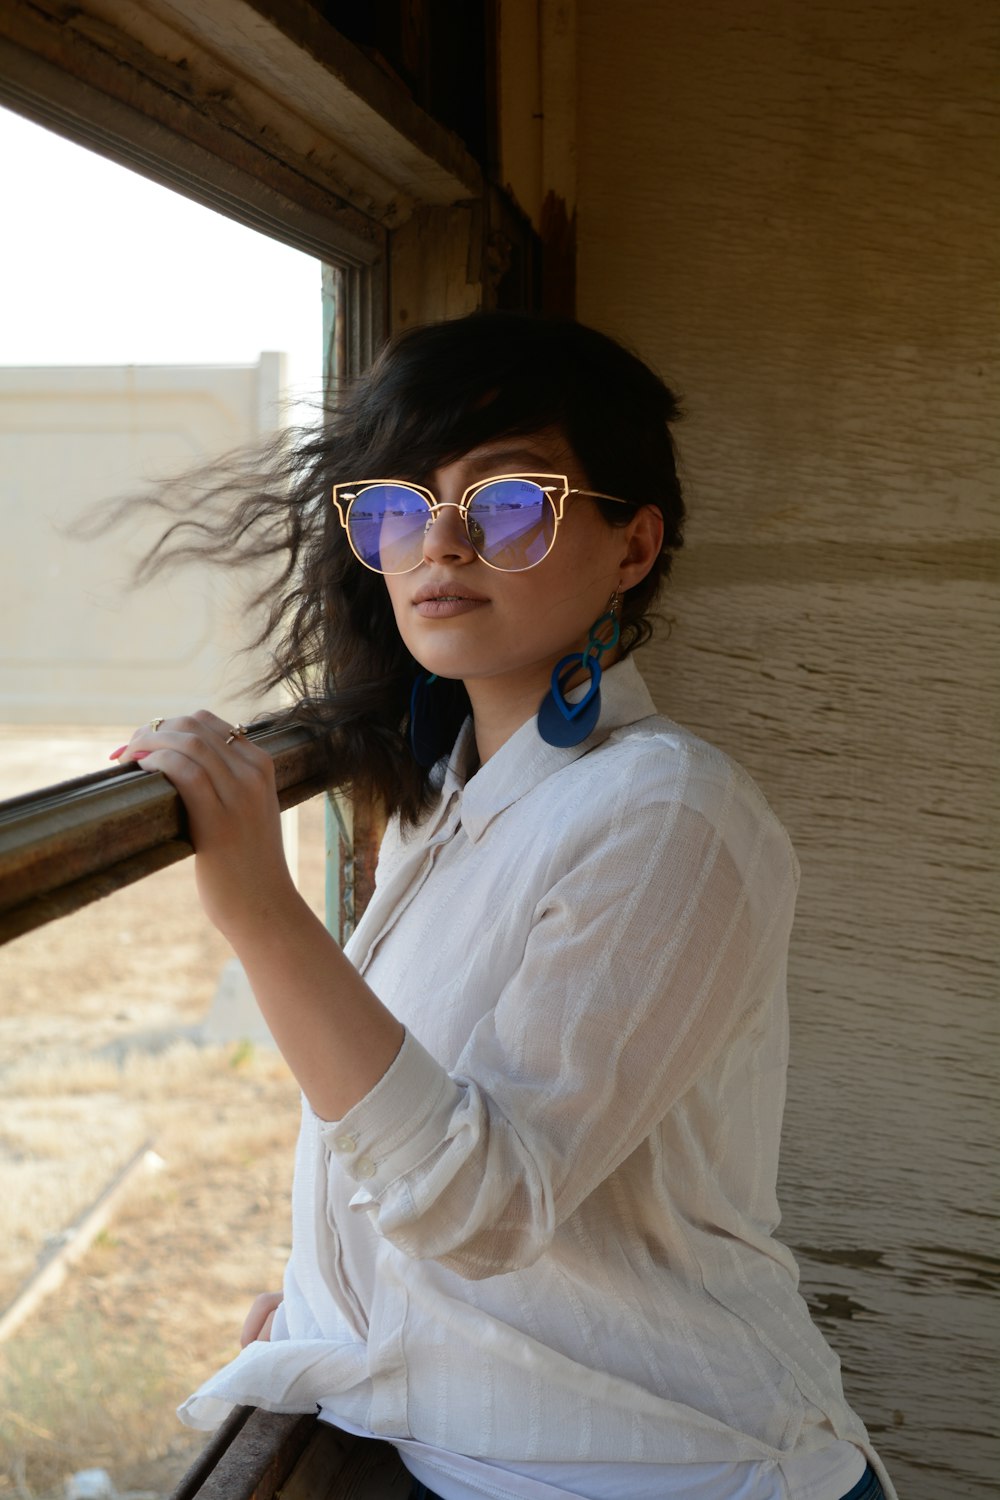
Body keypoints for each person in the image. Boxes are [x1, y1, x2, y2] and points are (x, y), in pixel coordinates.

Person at [113, 313, 895, 1500]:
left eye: (507, 503)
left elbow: (482, 1207)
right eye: (396, 507)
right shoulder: (446, 799)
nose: (439, 545)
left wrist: (263, 912)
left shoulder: (668, 814)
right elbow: (422, 1118)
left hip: (684, 1473)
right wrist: (339, 1295)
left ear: (633, 547)